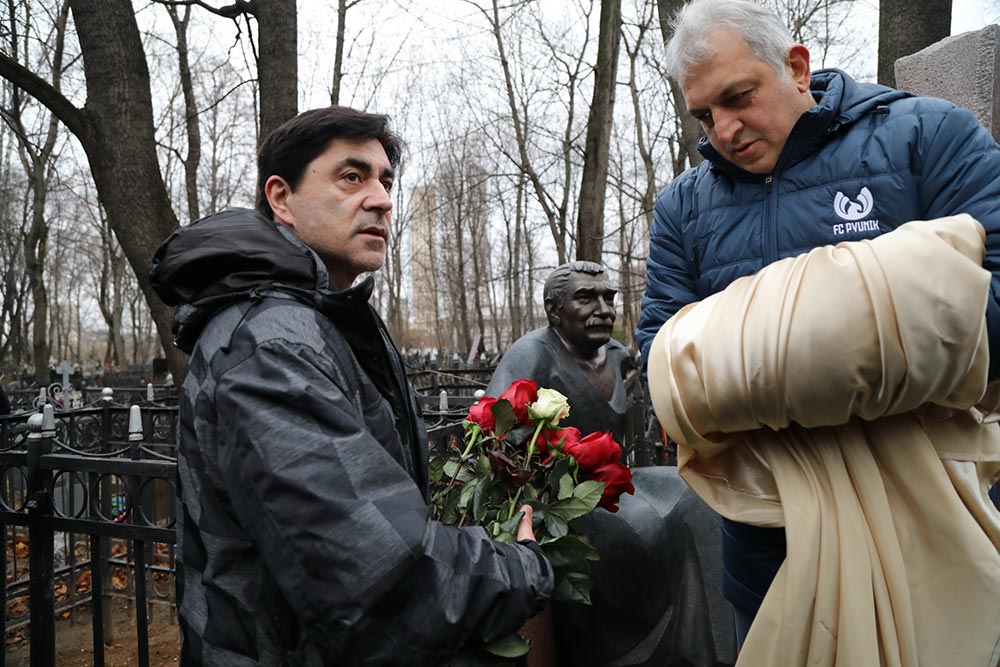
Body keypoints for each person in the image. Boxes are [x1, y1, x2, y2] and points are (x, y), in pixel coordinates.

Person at [635, 0, 1000, 650]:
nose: (723, 130)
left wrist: (764, 352)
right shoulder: (682, 209)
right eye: (704, 115)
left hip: (930, 531)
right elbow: (664, 370)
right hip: (767, 555)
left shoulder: (926, 138)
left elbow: (992, 298)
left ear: (797, 67)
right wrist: (868, 317)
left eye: (738, 97)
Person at [150, 106, 553, 666]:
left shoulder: (316, 320)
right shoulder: (271, 344)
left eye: (386, 181)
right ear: (281, 198)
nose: (382, 199)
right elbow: (379, 581)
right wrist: (522, 567)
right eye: (351, 176)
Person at [486, 261, 633, 442]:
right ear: (554, 310)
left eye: (609, 298)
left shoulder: (618, 354)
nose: (604, 311)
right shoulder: (530, 355)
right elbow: (494, 434)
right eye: (586, 299)